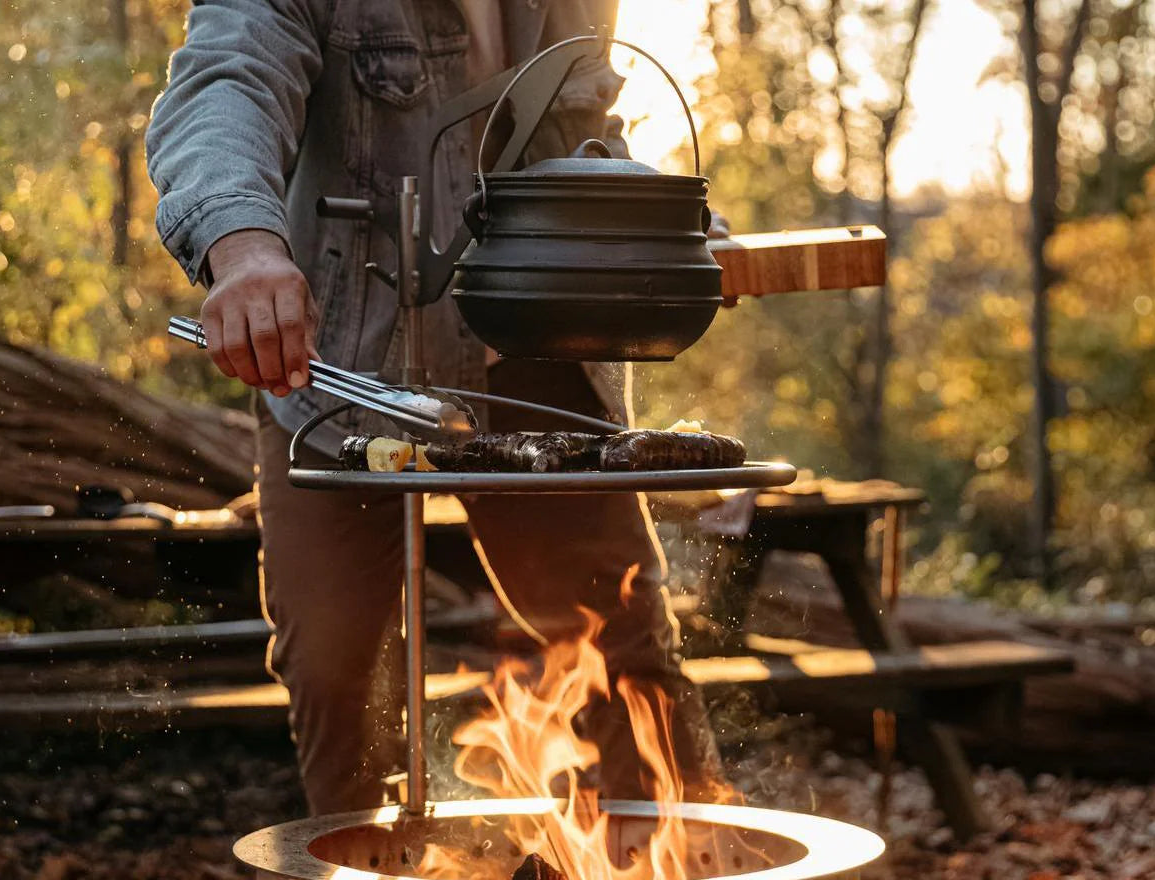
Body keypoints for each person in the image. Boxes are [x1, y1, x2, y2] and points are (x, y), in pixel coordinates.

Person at [146, 0, 725, 815]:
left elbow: (582, 133)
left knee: (625, 644)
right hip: (342, 363)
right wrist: (241, 249)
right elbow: (225, 84)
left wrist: (671, 232)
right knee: (334, 667)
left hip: (537, 352)